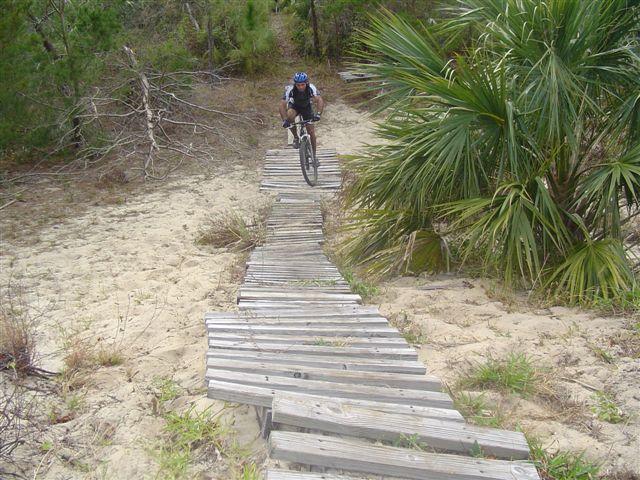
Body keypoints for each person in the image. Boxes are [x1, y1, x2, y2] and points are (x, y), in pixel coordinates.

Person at [279, 72, 324, 155]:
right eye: (298, 85)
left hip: (306, 107)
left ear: (306, 83)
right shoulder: (290, 89)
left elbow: (319, 100)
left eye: (303, 84)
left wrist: (318, 114)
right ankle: (296, 137)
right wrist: (285, 120)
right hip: (294, 106)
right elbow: (282, 104)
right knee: (289, 116)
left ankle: (314, 155)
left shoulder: (311, 87)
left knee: (311, 132)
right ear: (295, 84)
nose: (300, 87)